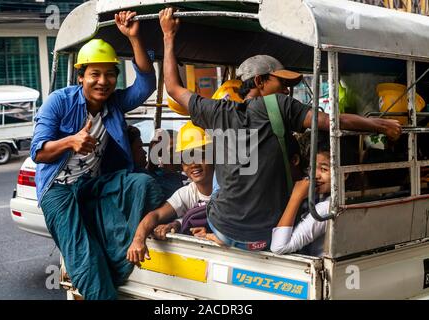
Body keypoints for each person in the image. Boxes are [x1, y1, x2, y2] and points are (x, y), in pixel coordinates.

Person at [158, 8, 402, 251]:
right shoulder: (278, 104)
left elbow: (172, 87)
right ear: (259, 82)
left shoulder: (214, 110)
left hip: (221, 227)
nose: (286, 90)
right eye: (282, 83)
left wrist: (168, 36)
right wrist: (378, 124)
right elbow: (328, 122)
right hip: (262, 236)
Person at [31, 11, 164, 300]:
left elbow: (146, 85)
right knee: (84, 255)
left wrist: (133, 37)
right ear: (81, 77)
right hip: (59, 192)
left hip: (93, 185)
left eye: (110, 74)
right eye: (95, 74)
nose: (103, 81)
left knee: (143, 184)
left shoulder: (114, 103)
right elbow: (38, 153)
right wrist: (70, 142)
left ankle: (139, 244)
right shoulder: (59, 102)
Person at [127, 121, 214, 267]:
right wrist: (138, 240)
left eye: (200, 156)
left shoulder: (228, 189)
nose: (193, 164)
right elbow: (156, 215)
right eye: (186, 159)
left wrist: (211, 234)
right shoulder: (187, 191)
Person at [270, 140, 333, 257]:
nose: (315, 175)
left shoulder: (327, 208)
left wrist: (296, 196)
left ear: (344, 174)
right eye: (311, 168)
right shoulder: (321, 196)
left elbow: (279, 247)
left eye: (324, 169)